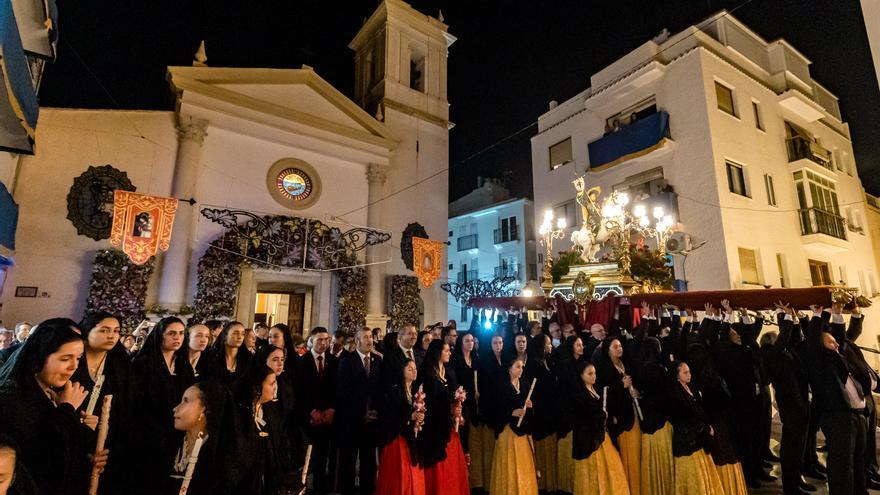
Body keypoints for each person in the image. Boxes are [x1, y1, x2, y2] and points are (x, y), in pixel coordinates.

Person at [0, 318, 107, 495]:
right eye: (65, 359)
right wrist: (66, 410)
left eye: (79, 359)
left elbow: (66, 450)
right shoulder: (12, 397)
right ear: (39, 357)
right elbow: (41, 456)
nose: (73, 367)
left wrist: (87, 446)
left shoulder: (51, 394)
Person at [804, 306, 867, 495]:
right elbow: (814, 341)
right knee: (842, 466)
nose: (837, 345)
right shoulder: (818, 362)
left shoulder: (838, 359)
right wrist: (819, 314)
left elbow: (841, 339)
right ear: (821, 346)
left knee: (858, 462)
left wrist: (837, 313)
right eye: (832, 343)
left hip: (856, 416)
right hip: (837, 417)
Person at [72, 312, 132, 494]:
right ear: (87, 331)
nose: (112, 336)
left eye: (116, 331)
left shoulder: (120, 366)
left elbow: (125, 408)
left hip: (105, 442)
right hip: (74, 437)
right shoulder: (73, 361)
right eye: (104, 330)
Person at [128, 316, 187, 495]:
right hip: (148, 433)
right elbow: (136, 400)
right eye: (171, 333)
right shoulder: (143, 363)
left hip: (175, 433)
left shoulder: (183, 365)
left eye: (181, 333)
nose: (177, 338)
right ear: (160, 336)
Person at [766, 304, 814, 495]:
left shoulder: (786, 353)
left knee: (799, 448)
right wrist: (783, 316)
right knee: (791, 450)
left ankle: (797, 479)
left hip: (800, 405)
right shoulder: (772, 355)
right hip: (791, 407)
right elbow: (785, 340)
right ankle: (791, 486)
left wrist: (795, 318)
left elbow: (793, 339)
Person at [165, 380, 239, 495]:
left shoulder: (221, 459)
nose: (176, 408)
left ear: (203, 410)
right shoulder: (168, 446)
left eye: (186, 401)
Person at [418, 340, 469, 495]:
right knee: (437, 466)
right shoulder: (427, 372)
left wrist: (457, 409)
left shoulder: (449, 371)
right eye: (446, 350)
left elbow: (454, 393)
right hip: (434, 426)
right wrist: (450, 403)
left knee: (451, 465)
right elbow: (429, 399)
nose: (449, 353)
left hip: (449, 424)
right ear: (437, 352)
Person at [571, 361, 630, 495]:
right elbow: (583, 416)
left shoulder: (595, 389)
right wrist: (600, 415)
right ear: (581, 375)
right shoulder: (579, 394)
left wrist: (607, 417)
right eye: (590, 374)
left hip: (601, 436)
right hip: (588, 440)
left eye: (595, 373)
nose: (594, 376)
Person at [336, 327, 383, 495]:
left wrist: (374, 411)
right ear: (357, 341)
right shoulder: (347, 361)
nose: (370, 340)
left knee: (369, 461)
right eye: (365, 337)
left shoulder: (378, 361)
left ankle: (367, 489)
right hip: (352, 420)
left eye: (371, 337)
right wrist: (362, 412)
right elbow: (344, 392)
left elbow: (379, 390)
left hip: (372, 421)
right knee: (348, 460)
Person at [233, 363, 292, 495]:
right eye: (271, 384)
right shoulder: (240, 416)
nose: (275, 388)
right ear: (257, 386)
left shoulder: (270, 411)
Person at [668, 361, 724, 494]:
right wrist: (703, 427)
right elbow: (685, 417)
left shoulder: (691, 388)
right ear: (677, 376)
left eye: (689, 372)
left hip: (699, 438)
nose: (689, 375)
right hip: (688, 442)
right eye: (685, 373)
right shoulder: (676, 394)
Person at [294, 327, 337, 494]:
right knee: (306, 456)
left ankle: (321, 487)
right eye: (320, 339)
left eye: (326, 339)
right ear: (311, 340)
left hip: (328, 417)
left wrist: (332, 409)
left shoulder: (334, 361)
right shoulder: (302, 362)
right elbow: (299, 390)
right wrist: (311, 411)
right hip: (308, 418)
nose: (324, 343)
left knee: (323, 456)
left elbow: (338, 388)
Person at [596, 336, 641, 495]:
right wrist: (622, 386)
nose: (619, 349)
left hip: (631, 410)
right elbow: (604, 393)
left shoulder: (624, 363)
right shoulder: (604, 368)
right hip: (618, 415)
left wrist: (633, 391)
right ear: (608, 350)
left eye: (620, 346)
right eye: (615, 347)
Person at [489, 357, 538, 495]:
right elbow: (495, 408)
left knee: (524, 464)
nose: (521, 370)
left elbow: (529, 408)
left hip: (523, 432)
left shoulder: (525, 383)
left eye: (522, 367)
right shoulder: (500, 385)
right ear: (509, 369)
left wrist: (530, 406)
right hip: (507, 430)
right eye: (517, 367)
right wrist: (511, 412)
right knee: (508, 465)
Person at [376, 359, 425, 495]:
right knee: (400, 477)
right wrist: (410, 416)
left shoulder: (415, 392)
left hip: (411, 439)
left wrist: (419, 418)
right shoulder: (395, 392)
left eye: (415, 368)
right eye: (410, 369)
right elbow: (390, 417)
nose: (414, 371)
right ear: (401, 371)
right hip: (397, 440)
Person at [634, 336, 674, 495]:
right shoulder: (659, 369)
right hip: (660, 418)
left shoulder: (639, 368)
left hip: (647, 418)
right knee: (662, 457)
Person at [526, 334, 559, 493]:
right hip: (540, 409)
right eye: (548, 343)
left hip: (551, 408)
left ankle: (550, 480)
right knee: (542, 445)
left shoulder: (549, 361)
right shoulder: (533, 364)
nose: (551, 345)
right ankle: (542, 483)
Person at [555, 335, 585, 494]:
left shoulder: (582, 363)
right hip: (568, 409)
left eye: (582, 345)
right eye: (578, 345)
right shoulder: (566, 365)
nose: (581, 347)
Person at [211, 321, 252, 386]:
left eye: (243, 334)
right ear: (225, 336)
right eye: (236, 333)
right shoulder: (212, 357)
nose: (240, 337)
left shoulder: (248, 358)